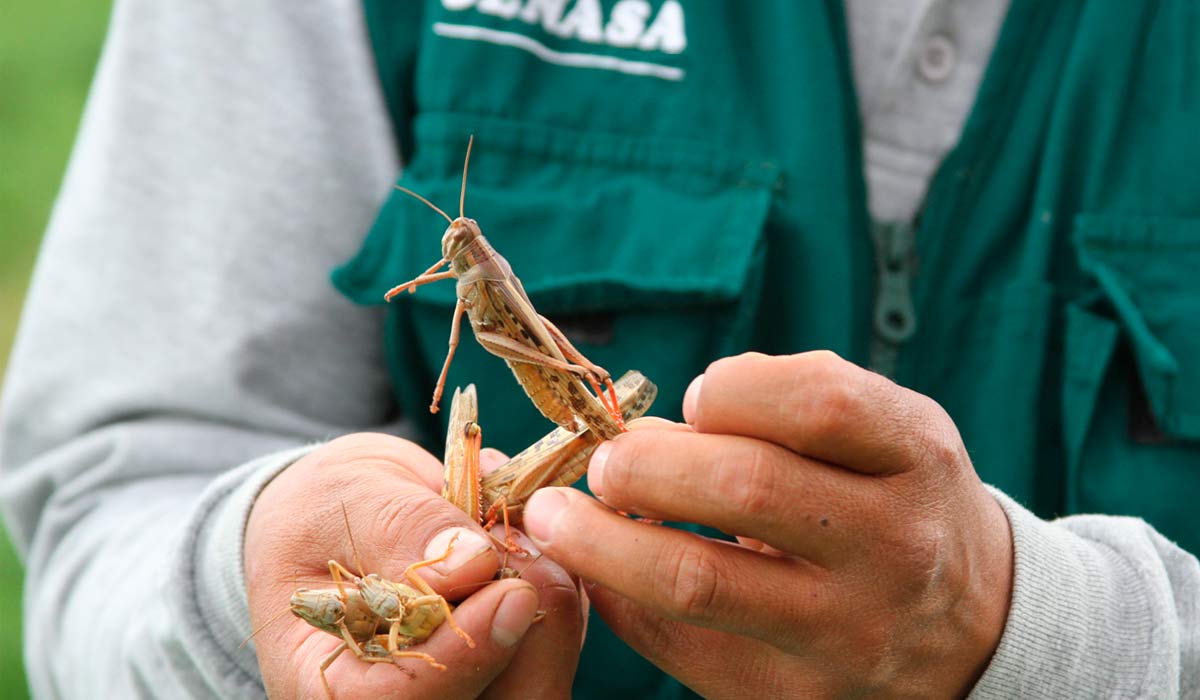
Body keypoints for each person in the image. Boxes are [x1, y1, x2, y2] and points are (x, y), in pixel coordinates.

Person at [2, 1, 1197, 697]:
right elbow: (114, 483)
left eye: (461, 245)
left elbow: (516, 334)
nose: (455, 254)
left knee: (585, 408)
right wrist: (241, 566)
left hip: (575, 389)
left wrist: (1047, 636)